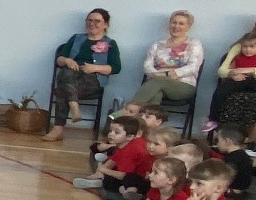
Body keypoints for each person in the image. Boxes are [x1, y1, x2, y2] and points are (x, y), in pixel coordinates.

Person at [203, 11, 256, 140]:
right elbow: (222, 71)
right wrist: (232, 73)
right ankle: (223, 136)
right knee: (226, 93)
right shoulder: (242, 44)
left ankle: (255, 139)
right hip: (238, 81)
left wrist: (253, 70)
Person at [43, 9, 122, 142]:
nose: (92, 23)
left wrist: (95, 68)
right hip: (71, 76)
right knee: (66, 73)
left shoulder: (110, 43)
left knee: (63, 85)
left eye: (97, 21)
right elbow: (59, 59)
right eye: (89, 20)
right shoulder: (76, 38)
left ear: (105, 24)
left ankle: (58, 129)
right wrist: (67, 60)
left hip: (92, 81)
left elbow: (116, 68)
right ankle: (74, 105)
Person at [128, 10, 205, 108]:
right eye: (174, 22)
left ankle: (127, 111)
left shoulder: (194, 44)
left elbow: (193, 67)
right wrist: (158, 75)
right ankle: (150, 117)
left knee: (157, 81)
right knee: (156, 93)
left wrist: (166, 75)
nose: (176, 26)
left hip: (184, 85)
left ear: (188, 27)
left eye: (181, 24)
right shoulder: (157, 45)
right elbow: (147, 65)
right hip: (156, 82)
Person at [210, 124, 255, 193]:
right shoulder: (243, 155)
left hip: (233, 190)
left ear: (227, 142)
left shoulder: (232, 158)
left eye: (218, 140)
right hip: (242, 189)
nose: (217, 144)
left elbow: (223, 177)